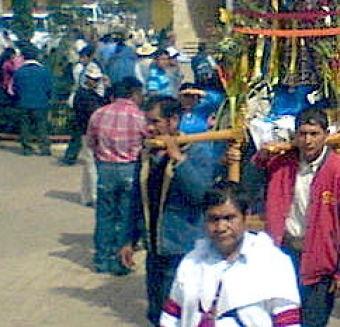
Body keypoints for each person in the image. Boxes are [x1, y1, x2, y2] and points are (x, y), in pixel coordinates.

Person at [255, 108, 340, 327]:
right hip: (283, 259)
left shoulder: (338, 170)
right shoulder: (280, 164)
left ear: (326, 135)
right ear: (295, 135)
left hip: (320, 267)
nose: (308, 140)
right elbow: (249, 191)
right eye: (303, 133)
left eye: (314, 134)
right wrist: (259, 161)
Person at [120, 97, 222, 326]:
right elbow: (137, 198)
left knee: (176, 314)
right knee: (156, 312)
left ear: (173, 120)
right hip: (155, 247)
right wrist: (128, 239)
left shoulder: (197, 151)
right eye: (147, 121)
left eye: (155, 121)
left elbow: (201, 195)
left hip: (183, 248)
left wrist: (179, 160)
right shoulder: (148, 152)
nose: (150, 128)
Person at [160, 182, 302, 327]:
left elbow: (288, 322)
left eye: (229, 218)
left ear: (246, 216)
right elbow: (171, 319)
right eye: (214, 219)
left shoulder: (273, 263)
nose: (221, 228)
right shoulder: (191, 263)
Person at [86, 76, 147, 275]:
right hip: (130, 168)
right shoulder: (139, 116)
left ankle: (102, 259)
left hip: (106, 168)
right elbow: (148, 143)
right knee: (125, 217)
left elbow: (91, 142)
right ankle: (120, 260)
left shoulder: (99, 113)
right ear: (134, 94)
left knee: (104, 216)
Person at [61, 63, 110, 165]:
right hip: (81, 120)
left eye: (97, 80)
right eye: (93, 79)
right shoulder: (82, 92)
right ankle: (69, 158)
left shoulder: (96, 93)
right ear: (87, 79)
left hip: (89, 120)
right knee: (76, 140)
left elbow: (105, 102)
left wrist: (107, 88)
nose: (95, 82)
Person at [12, 45, 54, 156]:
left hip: (23, 103)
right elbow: (49, 87)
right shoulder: (44, 71)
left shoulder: (19, 72)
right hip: (40, 102)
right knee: (42, 126)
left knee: (25, 126)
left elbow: (15, 88)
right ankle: (44, 148)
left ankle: (26, 148)